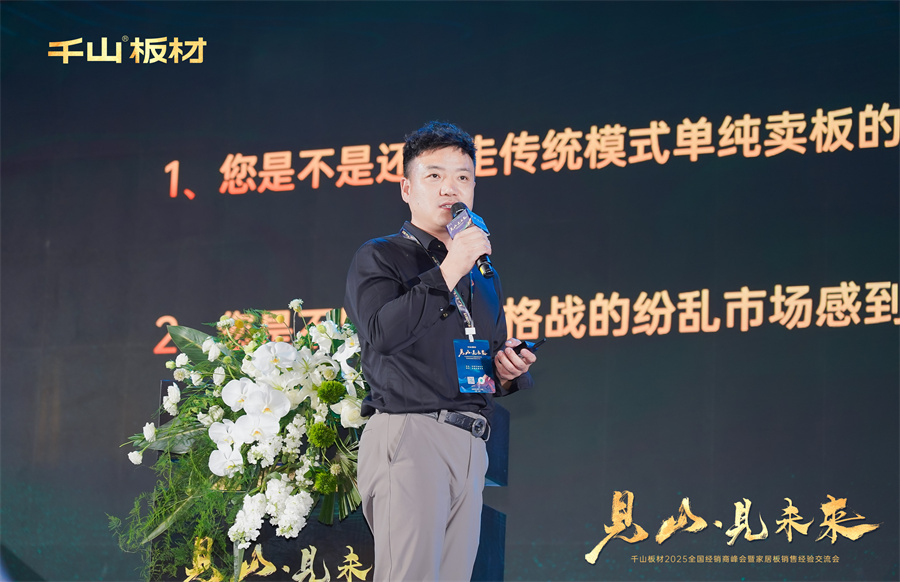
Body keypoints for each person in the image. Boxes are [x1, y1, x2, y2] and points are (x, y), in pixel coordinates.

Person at [344, 121, 537, 581]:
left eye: (463, 177)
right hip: (411, 434)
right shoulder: (380, 256)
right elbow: (382, 334)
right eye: (435, 175)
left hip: (470, 442)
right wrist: (451, 267)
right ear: (407, 188)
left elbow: (483, 356)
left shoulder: (482, 275)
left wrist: (507, 369)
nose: (451, 187)